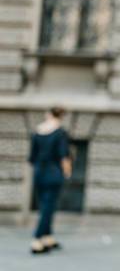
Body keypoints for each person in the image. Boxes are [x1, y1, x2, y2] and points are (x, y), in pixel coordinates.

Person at [28, 106, 72, 254]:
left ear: (48, 114)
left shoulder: (37, 131)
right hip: (53, 173)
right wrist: (67, 172)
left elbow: (32, 158)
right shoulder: (60, 133)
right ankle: (37, 239)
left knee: (44, 205)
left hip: (39, 172)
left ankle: (47, 237)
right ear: (61, 116)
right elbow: (64, 155)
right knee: (48, 207)